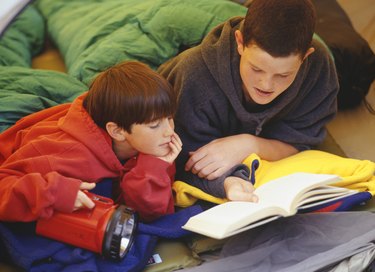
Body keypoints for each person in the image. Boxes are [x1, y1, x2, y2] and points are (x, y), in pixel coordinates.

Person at [158, 0, 339, 202]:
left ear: (306, 56)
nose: (266, 84)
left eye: (283, 75)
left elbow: (303, 140)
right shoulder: (194, 77)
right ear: (240, 42)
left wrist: (249, 145)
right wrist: (227, 183)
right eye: (256, 69)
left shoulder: (319, 69)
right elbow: (182, 162)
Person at [0, 61, 182, 222]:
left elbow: (147, 214)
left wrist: (153, 169)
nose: (169, 131)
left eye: (170, 118)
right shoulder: (67, 153)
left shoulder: (153, 144)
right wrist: (54, 192)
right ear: (117, 131)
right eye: (155, 125)